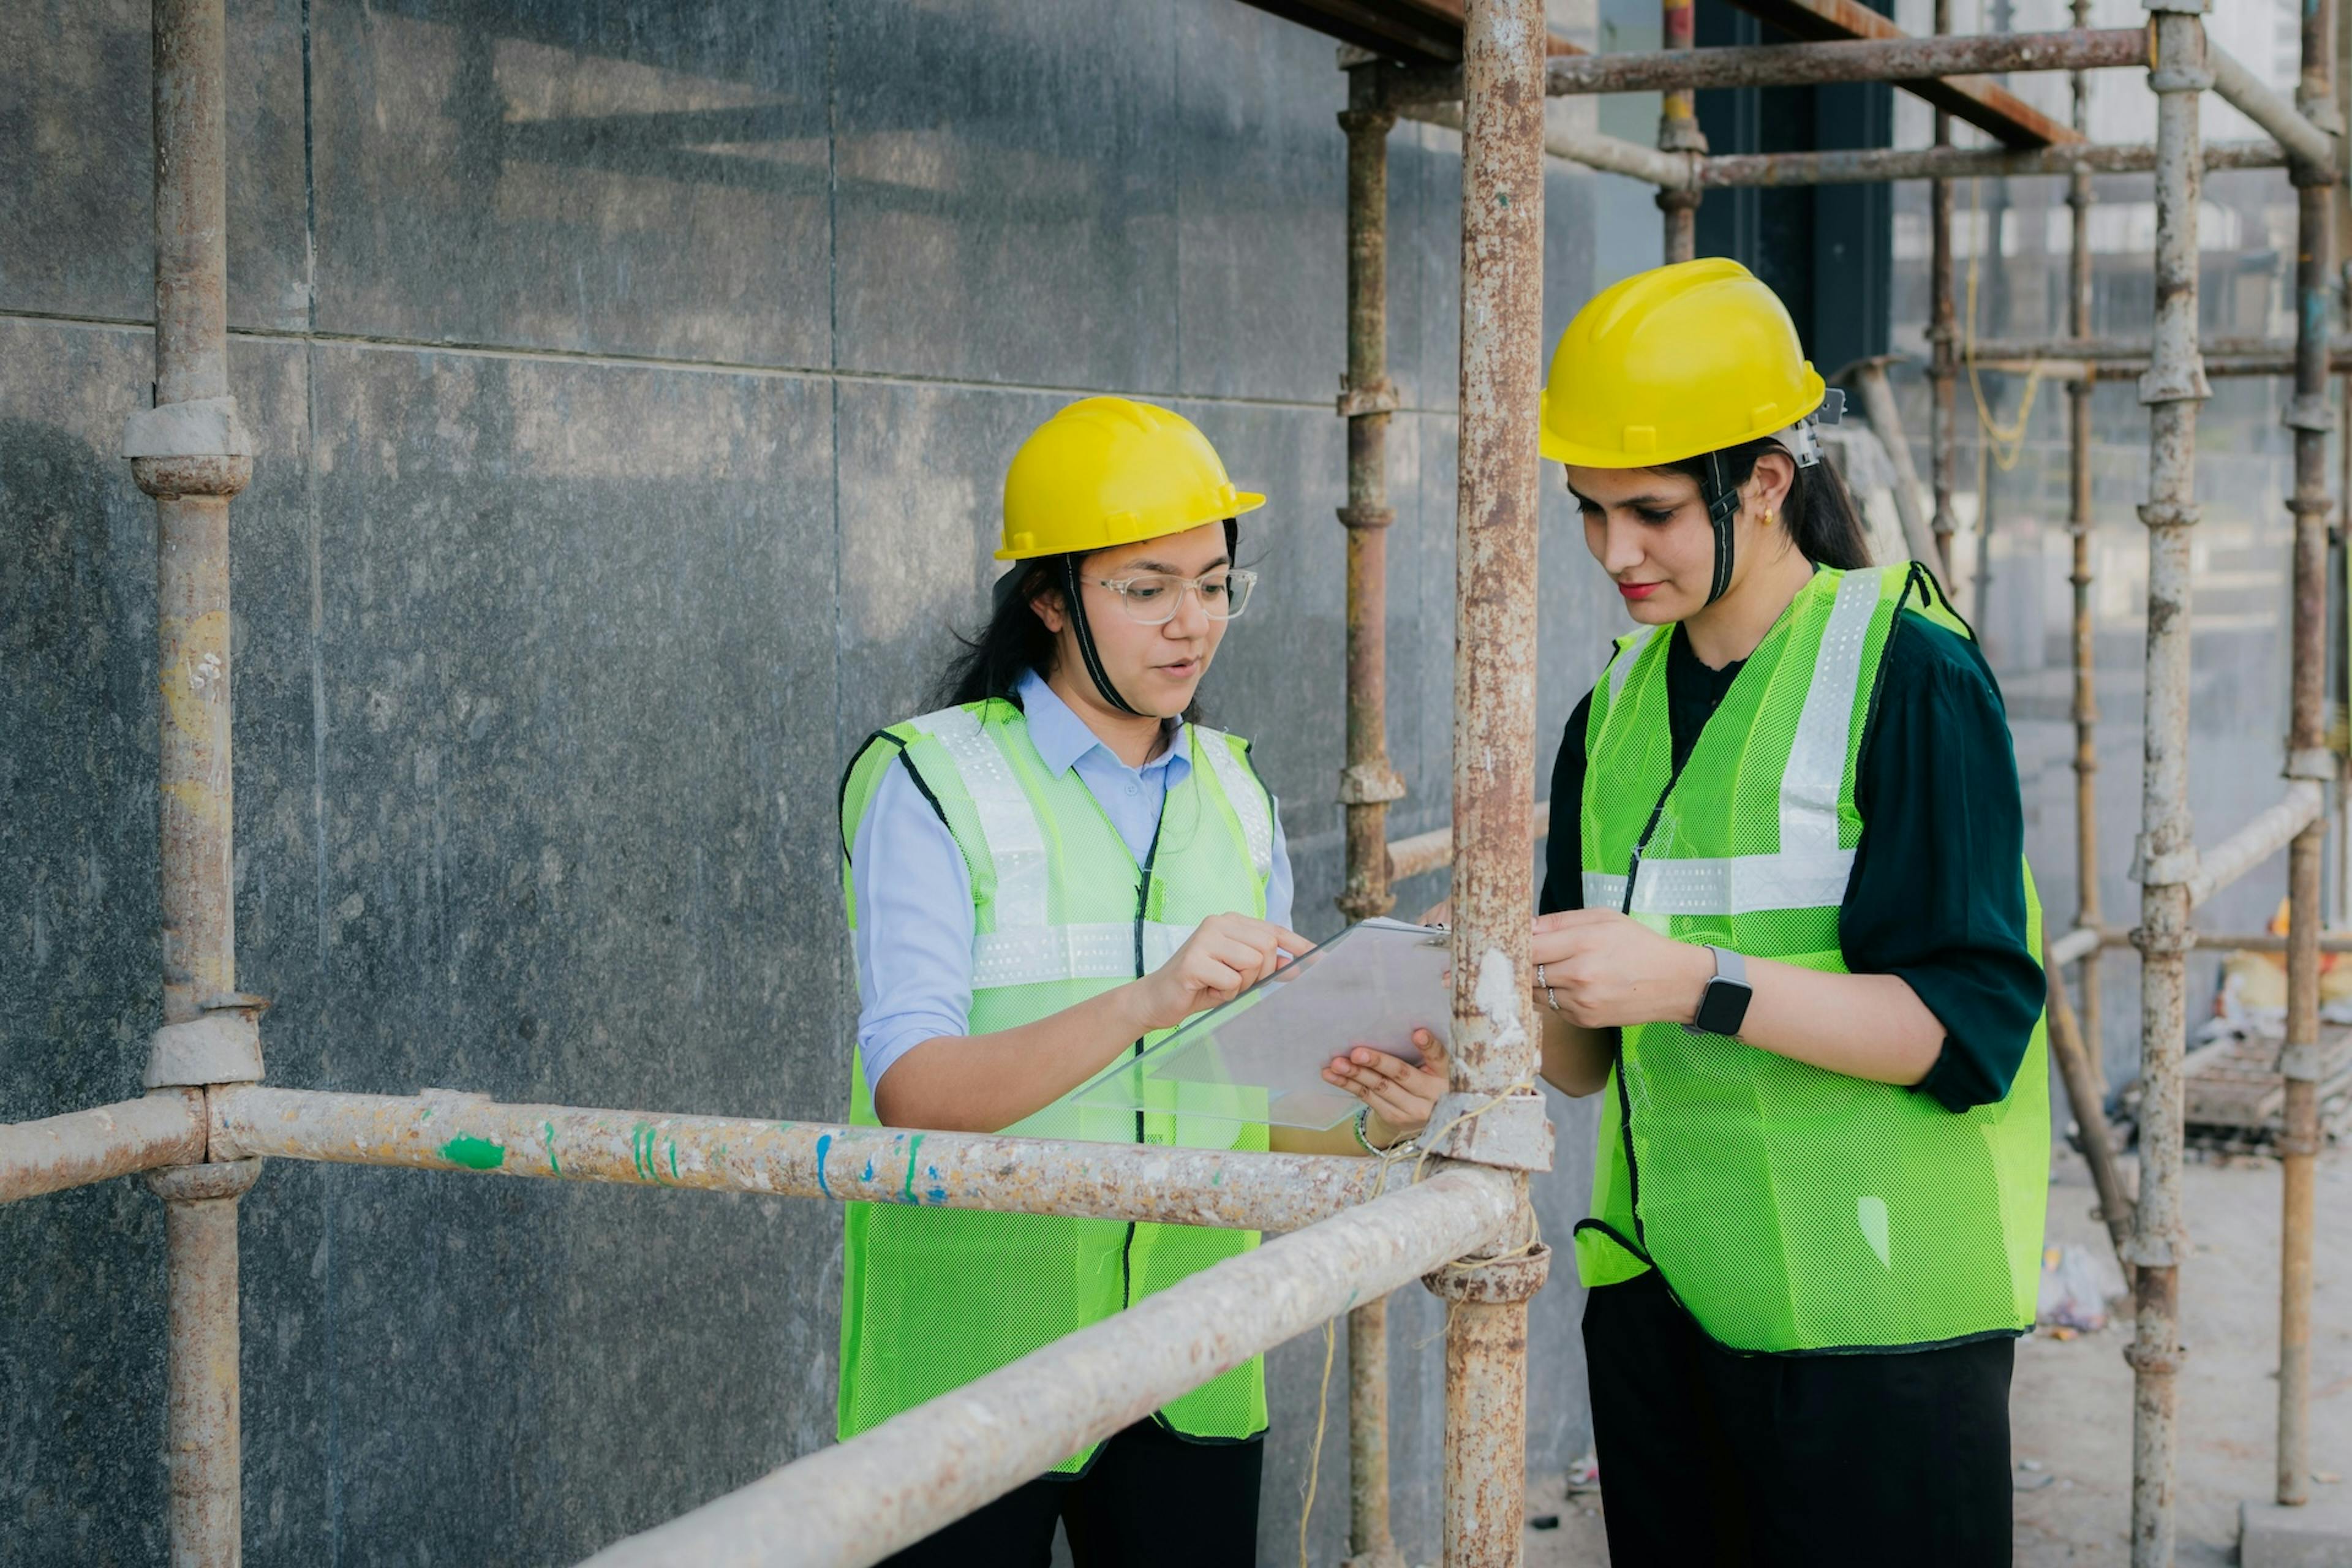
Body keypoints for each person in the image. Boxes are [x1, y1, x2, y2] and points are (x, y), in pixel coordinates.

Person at [835, 396, 1447, 1567]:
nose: (1194, 624)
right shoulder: (927, 780)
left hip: (1193, 1361)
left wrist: (1377, 1116)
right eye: (1145, 587)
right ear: (1052, 597)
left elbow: (1269, 1125)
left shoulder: (1238, 789)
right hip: (969, 1363)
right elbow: (912, 1091)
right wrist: (1148, 1001)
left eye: (1215, 584)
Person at [1524, 258, 2050, 1566]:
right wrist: (1473, 1031)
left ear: (1764, 481)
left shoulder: (1912, 676)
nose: (1612, 552)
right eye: (1587, 511)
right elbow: (1582, 1062)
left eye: (1647, 511)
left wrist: (1694, 977)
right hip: (1663, 1305)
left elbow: (1968, 1025)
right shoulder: (1611, 714)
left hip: (1878, 1330)